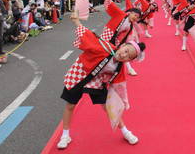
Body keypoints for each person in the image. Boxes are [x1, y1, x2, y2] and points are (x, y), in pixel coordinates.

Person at [57, 10, 146, 149]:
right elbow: (88, 36)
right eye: (126, 51)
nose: (124, 55)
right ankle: (65, 135)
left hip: (97, 82)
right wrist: (76, 21)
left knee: (110, 107)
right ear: (122, 46)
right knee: (70, 105)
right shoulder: (105, 46)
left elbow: (120, 85)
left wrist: (122, 101)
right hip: (80, 74)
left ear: (129, 61)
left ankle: (125, 131)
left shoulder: (119, 67)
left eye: (128, 56)